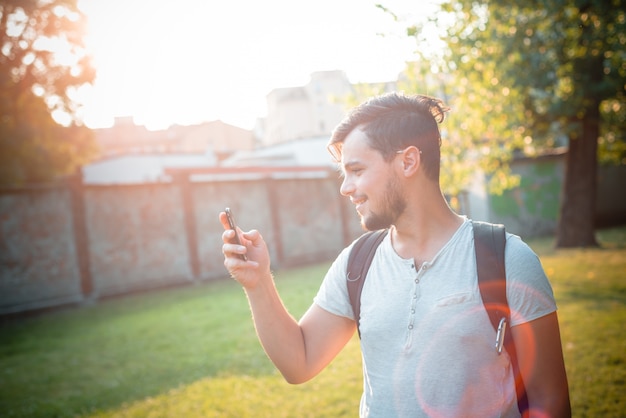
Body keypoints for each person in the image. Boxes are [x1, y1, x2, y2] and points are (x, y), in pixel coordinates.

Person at [220, 92, 571, 417]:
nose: (346, 188)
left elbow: (549, 401)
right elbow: (299, 363)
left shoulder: (507, 259)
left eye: (357, 170)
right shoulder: (355, 264)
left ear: (408, 162)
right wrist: (258, 282)